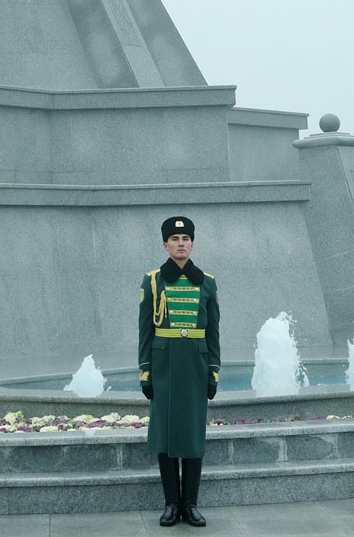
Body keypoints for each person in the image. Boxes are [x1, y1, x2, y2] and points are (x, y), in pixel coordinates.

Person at [138, 216, 220, 528]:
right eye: (174, 239)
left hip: (196, 367)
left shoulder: (207, 281)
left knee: (193, 435)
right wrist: (145, 372)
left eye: (186, 238)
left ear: (193, 243)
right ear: (165, 245)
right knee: (166, 435)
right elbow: (145, 331)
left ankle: (191, 504)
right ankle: (172, 504)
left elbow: (213, 332)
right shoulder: (153, 280)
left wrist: (213, 371)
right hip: (164, 367)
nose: (181, 243)